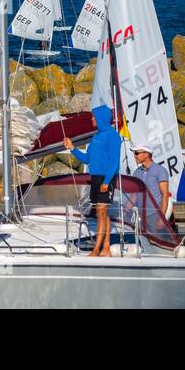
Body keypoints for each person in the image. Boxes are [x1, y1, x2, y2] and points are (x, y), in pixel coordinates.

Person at [63, 104, 122, 257]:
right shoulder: (96, 136)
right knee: (101, 213)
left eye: (94, 116)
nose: (91, 119)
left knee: (102, 211)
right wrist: (72, 148)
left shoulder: (113, 136)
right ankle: (106, 248)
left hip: (105, 178)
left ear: (101, 118)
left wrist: (106, 181)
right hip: (95, 178)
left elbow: (114, 162)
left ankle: (97, 249)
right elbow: (87, 159)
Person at [132, 142, 171, 228]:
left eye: (137, 153)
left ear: (146, 154)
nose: (134, 156)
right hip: (140, 215)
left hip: (155, 215)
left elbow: (165, 195)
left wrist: (162, 217)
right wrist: (125, 212)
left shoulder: (160, 170)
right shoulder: (136, 172)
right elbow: (134, 196)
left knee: (156, 241)